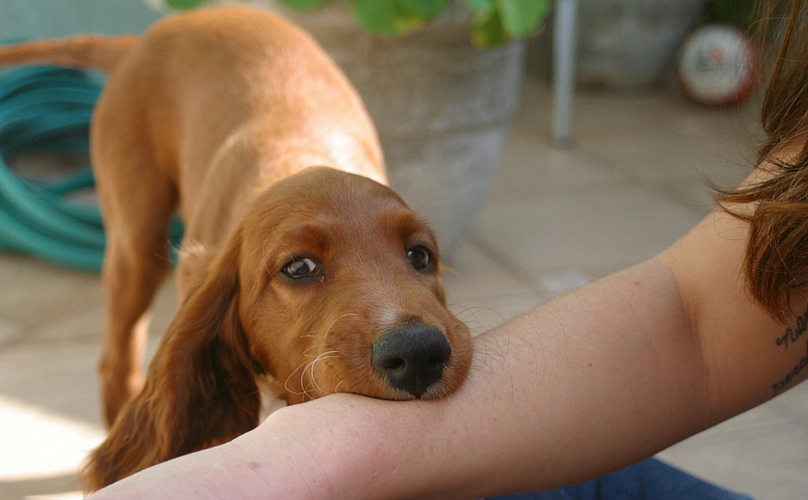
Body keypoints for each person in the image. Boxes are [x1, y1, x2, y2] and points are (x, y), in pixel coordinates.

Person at [87, 1, 808, 498]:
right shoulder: (222, 283)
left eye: (418, 256)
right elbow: (695, 321)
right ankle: (115, 371)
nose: (401, 314)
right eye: (301, 269)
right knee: (130, 277)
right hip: (156, 87)